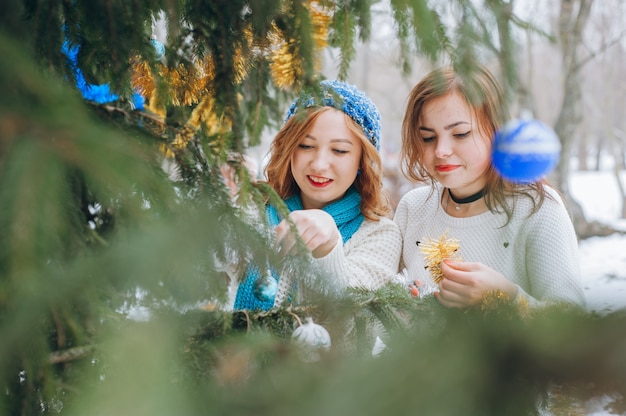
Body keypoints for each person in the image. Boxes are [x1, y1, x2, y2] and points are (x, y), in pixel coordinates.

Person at [394, 65, 585, 308]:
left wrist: (506, 298)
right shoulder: (414, 207)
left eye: (461, 133)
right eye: (428, 137)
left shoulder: (537, 208)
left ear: (496, 131)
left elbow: (569, 326)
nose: (441, 150)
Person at [233, 80, 402, 311]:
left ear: (362, 160)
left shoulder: (379, 234)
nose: (320, 165)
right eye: (305, 146)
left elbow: (354, 321)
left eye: (339, 150)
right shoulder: (254, 208)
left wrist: (328, 247)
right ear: (289, 149)